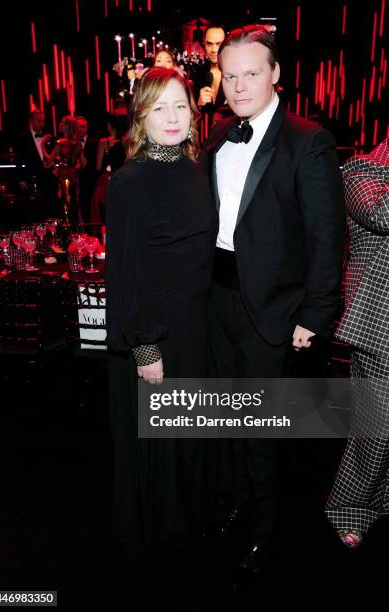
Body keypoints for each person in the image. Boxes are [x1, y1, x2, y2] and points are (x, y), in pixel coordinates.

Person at [204, 25, 345, 586]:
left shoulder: (308, 139)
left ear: (276, 75)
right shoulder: (216, 133)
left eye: (251, 73)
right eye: (230, 74)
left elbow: (326, 236)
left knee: (259, 427)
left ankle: (265, 531)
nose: (239, 85)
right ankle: (237, 501)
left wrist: (316, 313)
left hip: (274, 311)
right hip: (216, 298)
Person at [106, 67, 217, 555]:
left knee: (190, 432)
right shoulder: (130, 181)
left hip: (196, 324)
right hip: (156, 329)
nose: (171, 117)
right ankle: (164, 535)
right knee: (164, 437)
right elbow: (127, 271)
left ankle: (191, 518)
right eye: (158, 108)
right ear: (140, 118)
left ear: (193, 113)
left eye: (179, 106)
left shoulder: (196, 168)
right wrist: (144, 344)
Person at [325, 138, 389, 548]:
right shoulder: (361, 171)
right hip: (379, 324)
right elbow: (380, 214)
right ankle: (348, 507)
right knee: (376, 425)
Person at [41, 115, 86, 224]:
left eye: (62, 123)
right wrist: (72, 166)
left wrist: (42, 144)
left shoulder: (61, 143)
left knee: (65, 205)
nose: (59, 124)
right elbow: (84, 163)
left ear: (67, 127)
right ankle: (76, 229)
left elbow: (49, 160)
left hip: (63, 177)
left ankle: (66, 229)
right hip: (74, 177)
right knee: (74, 204)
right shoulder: (78, 143)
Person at [91, 112, 126, 223]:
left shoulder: (104, 142)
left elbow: (98, 166)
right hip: (123, 179)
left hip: (108, 179)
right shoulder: (126, 142)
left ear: (109, 125)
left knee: (105, 212)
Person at [76, 115, 98, 222]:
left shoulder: (94, 143)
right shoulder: (69, 143)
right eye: (78, 127)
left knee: (88, 213)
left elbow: (94, 165)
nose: (80, 129)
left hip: (89, 183)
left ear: (87, 128)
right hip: (74, 183)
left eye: (83, 127)